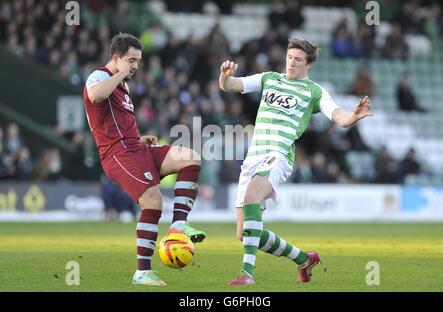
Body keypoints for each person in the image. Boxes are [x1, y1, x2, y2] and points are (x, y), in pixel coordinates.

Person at [219, 37, 373, 286]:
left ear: (309, 64)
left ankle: (246, 273)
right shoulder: (270, 78)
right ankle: (304, 258)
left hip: (278, 154)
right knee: (245, 233)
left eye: (298, 60)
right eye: (289, 58)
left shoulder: (314, 91)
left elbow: (338, 116)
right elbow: (231, 86)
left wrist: (354, 115)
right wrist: (225, 75)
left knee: (251, 201)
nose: (291, 63)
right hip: (253, 156)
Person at [83, 33, 206, 287]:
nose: (135, 66)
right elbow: (94, 96)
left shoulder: (122, 86)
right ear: (115, 58)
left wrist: (139, 139)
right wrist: (119, 74)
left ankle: (179, 226)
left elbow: (116, 122)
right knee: (153, 200)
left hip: (135, 148)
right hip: (117, 154)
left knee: (190, 158)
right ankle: (142, 271)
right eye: (131, 60)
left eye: (138, 61)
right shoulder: (100, 76)